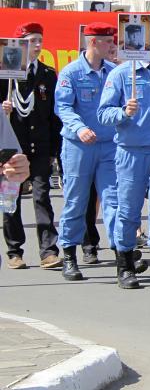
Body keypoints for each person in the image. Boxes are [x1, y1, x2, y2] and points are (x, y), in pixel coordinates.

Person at [98, 23, 150, 288]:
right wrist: (123, 112)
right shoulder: (121, 75)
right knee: (129, 209)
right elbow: (104, 113)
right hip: (132, 151)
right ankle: (125, 264)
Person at [55, 23, 131, 281]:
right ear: (93, 42)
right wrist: (79, 128)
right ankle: (68, 255)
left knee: (113, 200)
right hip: (79, 146)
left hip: (109, 146)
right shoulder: (71, 73)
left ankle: (123, 256)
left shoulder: (114, 72)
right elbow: (63, 108)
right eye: (107, 42)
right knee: (76, 201)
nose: (112, 47)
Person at [0, 23, 62, 270]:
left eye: (39, 40)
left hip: (40, 147)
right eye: (32, 41)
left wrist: (54, 151)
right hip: (12, 148)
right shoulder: (4, 74)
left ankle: (48, 250)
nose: (37, 45)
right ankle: (15, 250)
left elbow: (53, 118)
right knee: (10, 197)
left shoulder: (47, 74)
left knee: (42, 196)